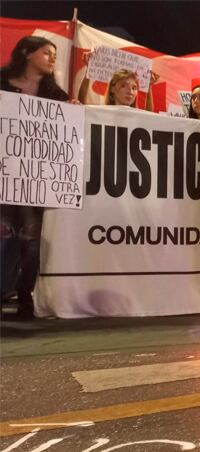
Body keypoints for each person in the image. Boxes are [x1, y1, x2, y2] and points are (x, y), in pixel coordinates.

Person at [0, 36, 71, 318]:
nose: (52, 58)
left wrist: (73, 110)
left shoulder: (56, 95)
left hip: (36, 180)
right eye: (46, 53)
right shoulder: (2, 84)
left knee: (31, 241)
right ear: (27, 53)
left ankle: (25, 296)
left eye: (55, 54)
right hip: (4, 175)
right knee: (3, 237)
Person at [78, 54, 159, 110]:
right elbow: (82, 108)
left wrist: (149, 86)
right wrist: (89, 71)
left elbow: (149, 118)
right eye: (123, 85)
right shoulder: (102, 113)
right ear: (112, 89)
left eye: (134, 88)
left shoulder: (137, 117)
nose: (130, 92)